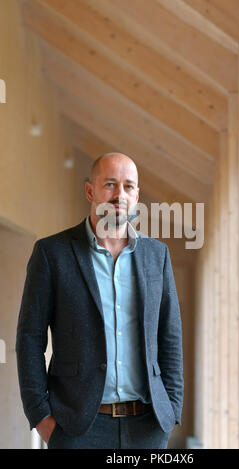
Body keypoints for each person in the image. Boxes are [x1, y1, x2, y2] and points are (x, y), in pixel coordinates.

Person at [16, 152, 184, 449]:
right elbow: (30, 339)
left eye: (129, 186)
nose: (120, 194)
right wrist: (40, 416)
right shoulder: (52, 253)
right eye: (110, 184)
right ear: (90, 190)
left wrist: (170, 411)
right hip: (76, 428)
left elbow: (169, 336)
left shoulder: (156, 256)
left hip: (147, 427)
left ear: (137, 195)